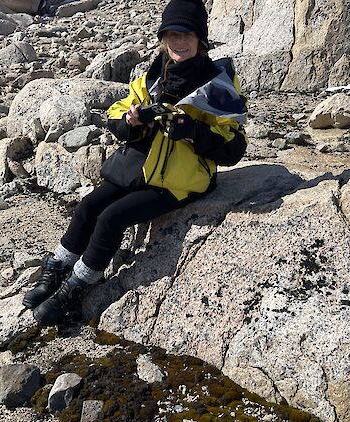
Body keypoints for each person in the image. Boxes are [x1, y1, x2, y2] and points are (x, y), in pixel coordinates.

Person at [22, 0, 248, 326]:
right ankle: (56, 270)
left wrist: (190, 130)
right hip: (139, 168)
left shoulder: (217, 85)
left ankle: (77, 286)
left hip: (181, 181)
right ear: (163, 38)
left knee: (112, 218)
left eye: (187, 34)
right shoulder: (152, 76)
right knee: (88, 206)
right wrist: (131, 122)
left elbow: (234, 148)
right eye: (172, 34)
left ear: (200, 39)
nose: (179, 41)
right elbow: (115, 113)